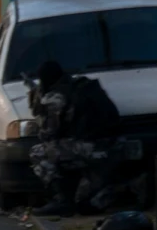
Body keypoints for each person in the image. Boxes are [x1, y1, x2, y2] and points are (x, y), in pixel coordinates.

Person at [28, 60, 123, 216]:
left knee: (38, 153)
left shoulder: (56, 97)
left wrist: (37, 107)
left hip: (90, 148)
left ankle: (62, 201)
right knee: (85, 203)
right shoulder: (81, 86)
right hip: (113, 145)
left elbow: (47, 134)